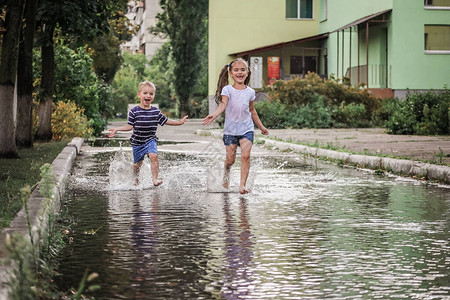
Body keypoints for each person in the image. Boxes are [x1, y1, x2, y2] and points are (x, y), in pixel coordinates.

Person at [202, 58, 269, 194]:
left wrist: (261, 127)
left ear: (247, 72)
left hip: (246, 129)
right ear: (231, 73)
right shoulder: (227, 90)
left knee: (245, 156)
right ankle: (226, 171)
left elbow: (252, 110)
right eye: (236, 70)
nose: (240, 72)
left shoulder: (250, 92)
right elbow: (223, 104)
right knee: (230, 160)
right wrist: (214, 114)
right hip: (230, 131)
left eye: (243, 70)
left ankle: (242, 186)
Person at [108, 81, 188, 186]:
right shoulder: (134, 111)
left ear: (154, 96)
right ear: (139, 95)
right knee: (137, 165)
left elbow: (166, 120)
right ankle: (135, 179)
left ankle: (155, 180)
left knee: (153, 156)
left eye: (151, 94)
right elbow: (129, 126)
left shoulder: (155, 111)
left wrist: (179, 122)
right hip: (137, 143)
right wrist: (117, 129)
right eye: (145, 93)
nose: (148, 96)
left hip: (150, 140)